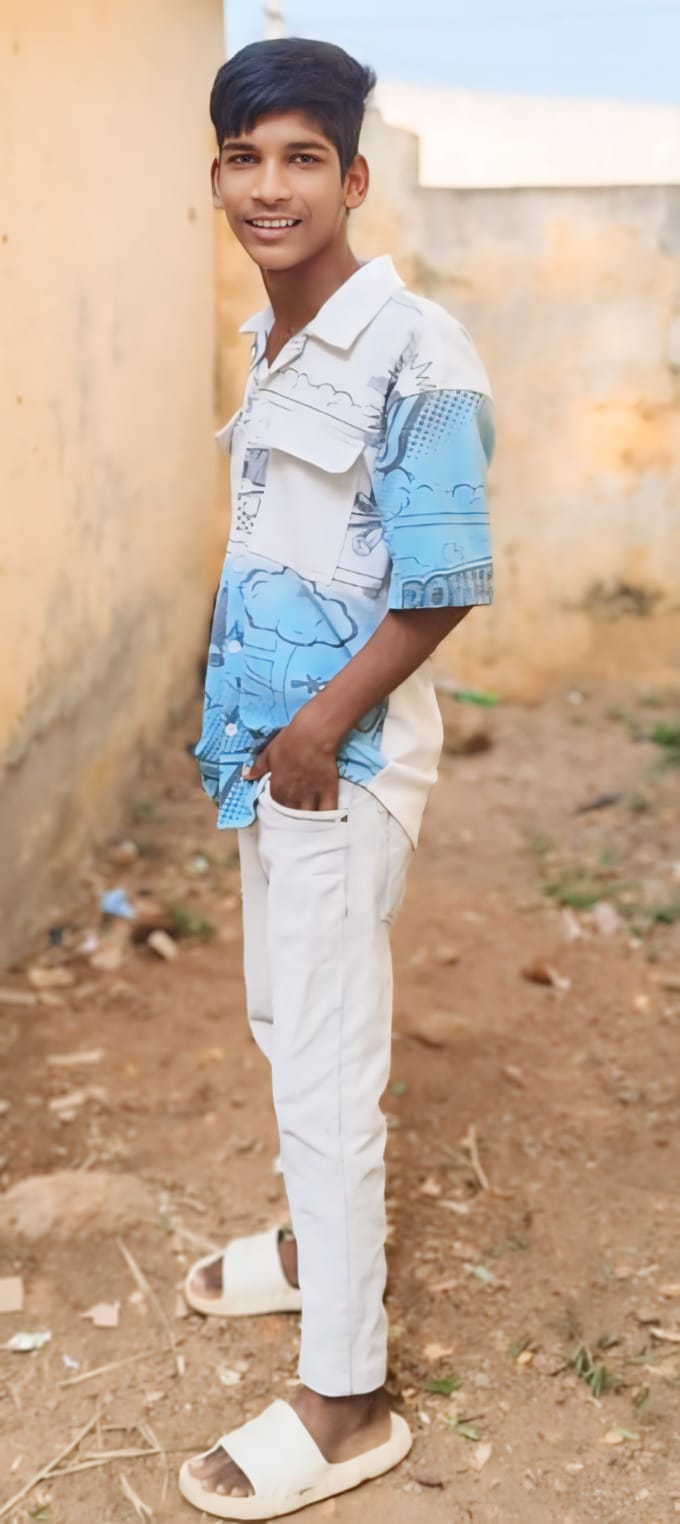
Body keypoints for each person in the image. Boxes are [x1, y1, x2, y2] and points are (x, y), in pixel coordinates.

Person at [179, 34, 494, 1521]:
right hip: (275, 753)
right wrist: (262, 728)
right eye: (245, 156)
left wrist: (314, 732)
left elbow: (442, 584)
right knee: (280, 1016)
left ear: (356, 179)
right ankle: (319, 1252)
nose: (271, 185)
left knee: (323, 1060)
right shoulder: (277, 338)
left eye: (303, 156)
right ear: (217, 176)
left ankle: (349, 1395)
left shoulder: (416, 351)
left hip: (338, 762)